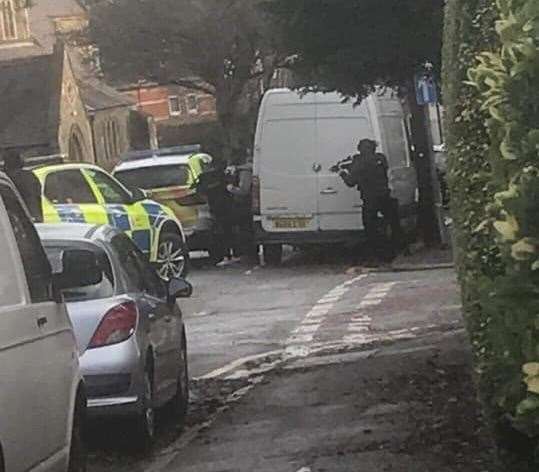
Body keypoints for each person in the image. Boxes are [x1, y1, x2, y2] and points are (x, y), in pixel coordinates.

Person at [338, 139, 404, 263]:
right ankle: (399, 248)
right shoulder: (381, 159)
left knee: (370, 228)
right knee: (394, 223)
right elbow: (374, 165)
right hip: (385, 196)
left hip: (370, 199)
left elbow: (350, 182)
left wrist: (342, 172)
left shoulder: (360, 163)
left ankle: (379, 255)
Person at [226, 151, 257, 262]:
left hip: (245, 205)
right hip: (245, 205)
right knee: (245, 229)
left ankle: (250, 254)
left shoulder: (245, 171)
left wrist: (231, 189)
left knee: (246, 229)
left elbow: (244, 190)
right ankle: (248, 252)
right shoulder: (244, 170)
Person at [3, 149, 43, 222]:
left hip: (17, 222)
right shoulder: (30, 176)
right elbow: (38, 194)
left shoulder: (6, 178)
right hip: (34, 217)